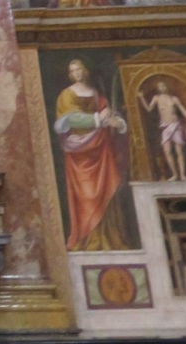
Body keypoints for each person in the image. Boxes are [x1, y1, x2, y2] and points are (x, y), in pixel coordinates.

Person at [53, 59, 128, 250]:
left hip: (101, 149)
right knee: (87, 196)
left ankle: (108, 238)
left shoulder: (95, 94)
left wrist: (118, 123)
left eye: (79, 69)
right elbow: (71, 119)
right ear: (70, 75)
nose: (77, 73)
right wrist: (98, 119)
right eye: (73, 70)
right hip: (80, 152)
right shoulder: (67, 95)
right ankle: (87, 239)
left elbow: (108, 113)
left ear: (84, 70)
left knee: (107, 192)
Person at [138, 80, 186, 181]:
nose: (162, 87)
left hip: (176, 125)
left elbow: (183, 110)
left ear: (166, 87)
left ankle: (182, 175)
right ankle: (174, 174)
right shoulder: (157, 98)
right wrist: (141, 97)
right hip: (165, 127)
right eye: (160, 86)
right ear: (158, 88)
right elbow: (148, 109)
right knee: (167, 151)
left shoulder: (174, 99)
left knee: (179, 151)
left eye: (163, 85)